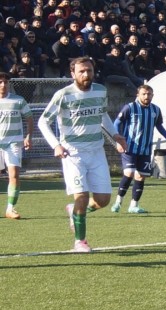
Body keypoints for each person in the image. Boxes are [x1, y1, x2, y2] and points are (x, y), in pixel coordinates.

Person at [38, 57, 127, 253]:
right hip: (73, 153)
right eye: (81, 71)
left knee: (103, 200)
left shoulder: (100, 90)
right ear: (73, 74)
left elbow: (103, 115)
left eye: (89, 70)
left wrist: (115, 135)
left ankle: (75, 211)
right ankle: (80, 241)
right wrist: (56, 145)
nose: (86, 74)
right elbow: (43, 122)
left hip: (96, 152)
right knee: (82, 195)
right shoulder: (63, 95)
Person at [111, 85, 166, 214]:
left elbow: (159, 126)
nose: (147, 96)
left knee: (141, 176)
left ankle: (134, 205)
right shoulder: (130, 107)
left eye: (149, 94)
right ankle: (118, 201)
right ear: (138, 95)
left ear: (152, 95)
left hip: (145, 149)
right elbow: (117, 123)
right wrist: (119, 140)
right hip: (129, 147)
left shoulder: (156, 110)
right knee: (129, 173)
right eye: (144, 94)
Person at [0, 72, 34, 220]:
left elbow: (29, 118)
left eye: (6, 82)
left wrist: (28, 136)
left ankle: (10, 208)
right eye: (0, 82)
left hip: (13, 142)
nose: (3, 85)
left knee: (14, 175)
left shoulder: (18, 100)